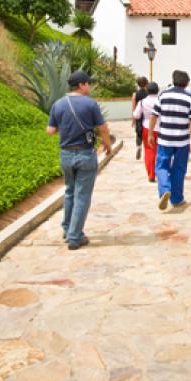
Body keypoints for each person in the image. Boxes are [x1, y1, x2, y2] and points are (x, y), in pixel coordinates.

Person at [47, 70, 112, 250]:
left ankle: (68, 229)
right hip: (85, 154)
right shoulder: (90, 104)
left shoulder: (58, 104)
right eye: (88, 83)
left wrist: (68, 130)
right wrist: (108, 146)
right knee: (82, 195)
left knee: (70, 191)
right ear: (82, 85)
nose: (89, 86)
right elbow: (103, 128)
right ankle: (75, 237)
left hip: (66, 154)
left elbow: (50, 131)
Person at [149, 69, 191, 210]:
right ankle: (177, 199)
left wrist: (151, 134)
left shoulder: (163, 95)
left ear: (173, 80)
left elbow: (154, 116)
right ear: (187, 83)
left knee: (161, 166)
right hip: (182, 141)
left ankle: (165, 190)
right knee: (179, 169)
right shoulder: (190, 98)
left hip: (165, 139)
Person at [133, 82, 160, 182]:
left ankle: (151, 174)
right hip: (161, 127)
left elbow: (136, 115)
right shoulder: (161, 100)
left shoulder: (142, 102)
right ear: (158, 89)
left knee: (149, 151)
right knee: (160, 151)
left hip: (147, 127)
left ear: (147, 91)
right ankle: (161, 173)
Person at [131, 76, 148, 160]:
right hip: (148, 117)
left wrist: (133, 120)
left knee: (138, 134)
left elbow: (133, 108)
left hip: (139, 117)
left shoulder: (135, 94)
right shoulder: (149, 94)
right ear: (147, 83)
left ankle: (138, 146)